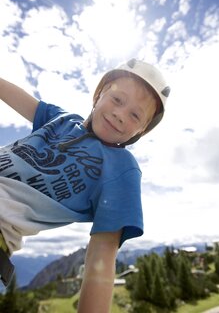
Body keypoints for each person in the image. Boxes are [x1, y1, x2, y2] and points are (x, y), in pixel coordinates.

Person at [0, 58, 170, 312]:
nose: (119, 114)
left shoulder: (121, 168)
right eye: (117, 99)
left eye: (135, 115)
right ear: (99, 94)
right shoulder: (62, 119)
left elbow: (102, 253)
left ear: (141, 130)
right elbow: (16, 96)